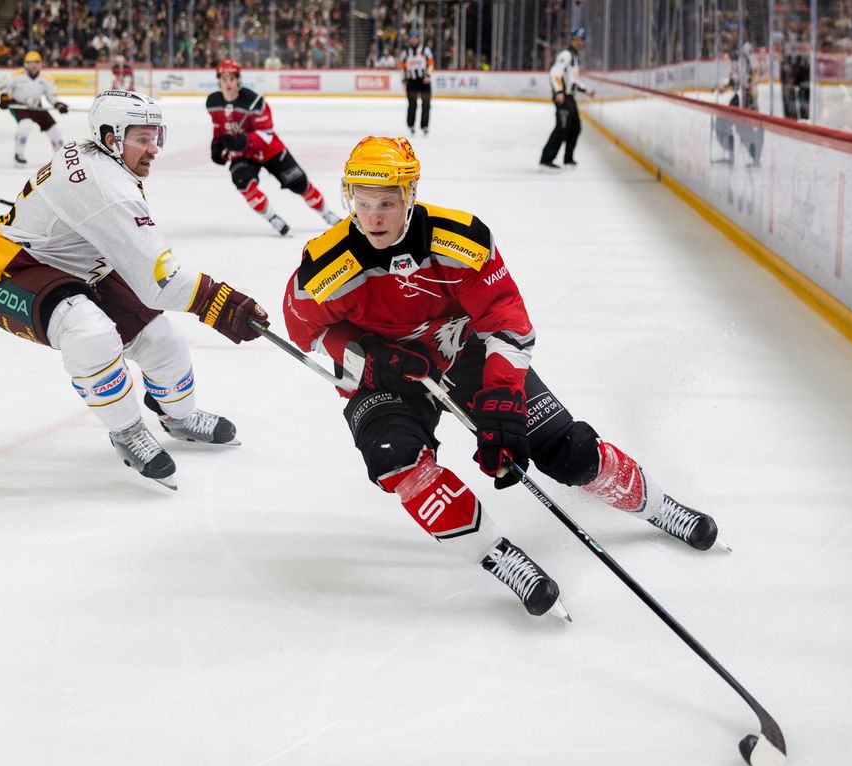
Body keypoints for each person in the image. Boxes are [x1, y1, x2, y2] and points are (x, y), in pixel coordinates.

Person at [282, 136, 720, 618]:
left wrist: (503, 397)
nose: (375, 217)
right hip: (386, 375)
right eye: (363, 204)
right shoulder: (326, 263)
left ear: (410, 195)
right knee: (397, 460)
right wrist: (369, 359)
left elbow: (505, 318)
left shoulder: (459, 239)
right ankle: (501, 557)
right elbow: (305, 331)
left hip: (464, 350)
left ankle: (660, 506)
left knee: (565, 451)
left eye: (387, 203)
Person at [0, 90, 269, 489]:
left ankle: (178, 417)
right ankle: (127, 431)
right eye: (142, 139)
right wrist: (222, 304)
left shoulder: (97, 157)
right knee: (89, 333)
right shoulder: (107, 189)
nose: (153, 149)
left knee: (164, 341)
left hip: (80, 265)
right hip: (16, 273)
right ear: (111, 138)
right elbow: (159, 284)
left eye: (156, 136)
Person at [206, 58, 341, 237]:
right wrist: (217, 145)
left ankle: (327, 214)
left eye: (231, 78)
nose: (228, 83)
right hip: (244, 155)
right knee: (243, 182)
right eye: (224, 79)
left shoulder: (254, 102)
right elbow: (218, 127)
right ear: (219, 81)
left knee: (300, 183)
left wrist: (243, 140)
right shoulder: (213, 102)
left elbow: (266, 135)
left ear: (239, 79)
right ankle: (273, 218)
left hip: (270, 151)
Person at [0, 50, 70, 167]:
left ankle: (61, 158)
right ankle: (18, 154)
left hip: (36, 106)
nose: (33, 65)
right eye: (30, 62)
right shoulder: (16, 76)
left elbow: (51, 96)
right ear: (25, 64)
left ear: (40, 64)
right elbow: (3, 86)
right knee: (25, 125)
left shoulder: (46, 78)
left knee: (54, 130)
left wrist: (58, 105)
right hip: (19, 105)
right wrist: (4, 98)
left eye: (36, 62)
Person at [540, 27, 595, 170]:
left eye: (581, 40)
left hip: (570, 97)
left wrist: (586, 90)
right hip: (563, 96)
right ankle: (546, 160)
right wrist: (558, 91)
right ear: (572, 40)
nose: (579, 42)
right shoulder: (566, 55)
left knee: (575, 127)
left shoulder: (575, 57)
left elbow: (572, 80)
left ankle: (568, 159)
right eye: (576, 39)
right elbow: (555, 73)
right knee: (561, 128)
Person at [399, 30, 433, 136]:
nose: (413, 40)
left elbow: (431, 63)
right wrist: (404, 79)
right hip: (411, 81)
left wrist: (428, 75)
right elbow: (402, 67)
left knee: (426, 104)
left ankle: (424, 126)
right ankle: (411, 125)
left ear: (418, 39)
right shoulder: (405, 52)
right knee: (412, 104)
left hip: (424, 81)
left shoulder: (425, 50)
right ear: (409, 40)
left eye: (415, 38)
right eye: (411, 38)